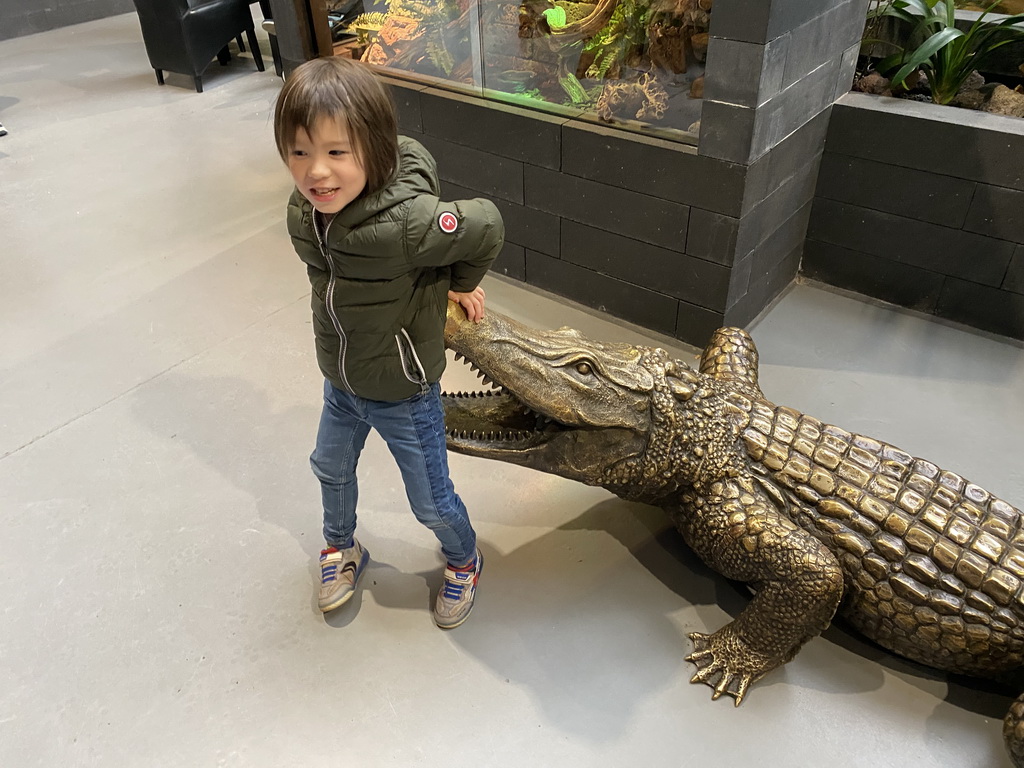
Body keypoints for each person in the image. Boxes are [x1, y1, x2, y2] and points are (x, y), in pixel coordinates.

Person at [273, 56, 503, 629]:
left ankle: (463, 560)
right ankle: (341, 547)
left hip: (403, 391)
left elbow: (488, 225)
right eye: (299, 151)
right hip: (342, 380)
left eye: (336, 152)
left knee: (430, 499)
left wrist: (459, 284)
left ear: (373, 151)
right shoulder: (305, 214)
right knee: (329, 466)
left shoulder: (410, 224)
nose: (315, 172)